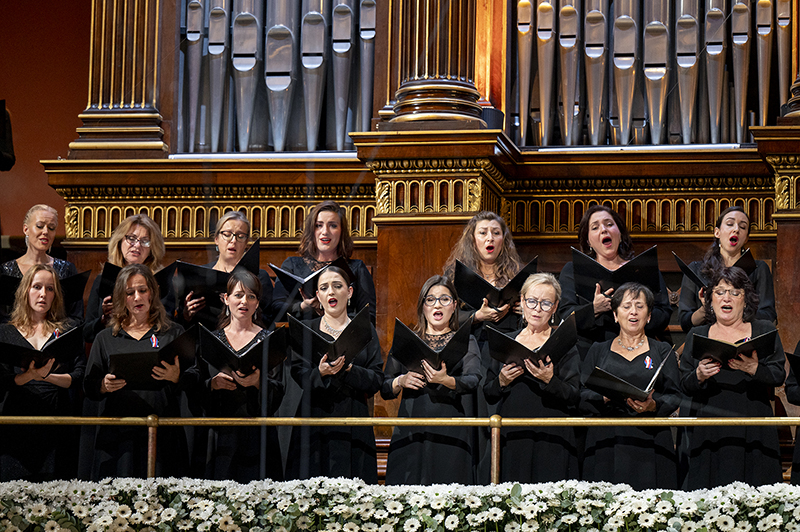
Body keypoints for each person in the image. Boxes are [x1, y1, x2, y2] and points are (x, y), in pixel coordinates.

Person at [680, 267, 785, 489]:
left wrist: (754, 368)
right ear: (710, 300)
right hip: (711, 427)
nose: (726, 298)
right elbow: (684, 384)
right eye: (719, 292)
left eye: (735, 292)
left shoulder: (763, 330)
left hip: (754, 424)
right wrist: (698, 375)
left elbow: (778, 375)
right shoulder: (697, 335)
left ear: (746, 299)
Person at [83, 263, 191, 479]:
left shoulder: (173, 333)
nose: (137, 297)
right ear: (121, 298)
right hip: (119, 436)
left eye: (142, 290)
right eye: (129, 292)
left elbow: (195, 381)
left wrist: (176, 376)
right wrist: (103, 385)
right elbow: (89, 385)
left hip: (163, 432)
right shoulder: (105, 338)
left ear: (152, 292)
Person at [579, 282, 682, 490]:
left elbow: (675, 395)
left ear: (649, 316)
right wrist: (606, 397)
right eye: (626, 306)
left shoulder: (662, 350)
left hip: (650, 440)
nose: (633, 312)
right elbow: (581, 395)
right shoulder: (598, 350)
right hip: (606, 440)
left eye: (640, 306)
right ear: (615, 315)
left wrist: (653, 406)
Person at [381, 275, 481, 485]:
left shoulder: (466, 340)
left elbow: (473, 380)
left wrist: (445, 380)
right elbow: (384, 387)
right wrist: (401, 380)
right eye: (431, 299)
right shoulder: (408, 340)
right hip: (411, 425)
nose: (437, 305)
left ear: (454, 306)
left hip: (449, 427)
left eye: (445, 299)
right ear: (423, 306)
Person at [286, 266, 383, 482]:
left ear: (349, 293)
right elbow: (298, 372)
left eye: (337, 286)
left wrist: (350, 370)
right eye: (324, 288)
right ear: (318, 296)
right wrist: (320, 372)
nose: (331, 291)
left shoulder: (364, 330)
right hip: (314, 416)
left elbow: (377, 378)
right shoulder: (307, 329)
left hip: (354, 416)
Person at [483, 273, 580, 483]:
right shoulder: (505, 340)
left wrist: (549, 380)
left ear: (555, 308)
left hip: (552, 433)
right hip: (513, 432)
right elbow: (488, 392)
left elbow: (574, 395)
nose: (537, 309)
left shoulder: (564, 343)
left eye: (545, 303)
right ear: (522, 301)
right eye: (532, 301)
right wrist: (502, 380)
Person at [197, 270, 284, 481]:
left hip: (258, 435)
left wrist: (258, 383)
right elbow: (195, 385)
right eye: (238, 295)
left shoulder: (269, 341)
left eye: (251, 296)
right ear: (226, 299)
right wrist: (212, 384)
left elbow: (281, 389)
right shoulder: (210, 340)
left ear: (257, 303)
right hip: (220, 434)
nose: (244, 301)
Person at [0, 264, 84, 480]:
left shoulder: (68, 329)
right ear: (25, 291)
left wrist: (47, 376)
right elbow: (1, 380)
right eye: (37, 287)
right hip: (16, 421)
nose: (43, 294)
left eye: (50, 288)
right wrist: (29, 376)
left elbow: (78, 376)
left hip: (57, 420)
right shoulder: (5, 332)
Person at [558, 205, 672, 357]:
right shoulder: (572, 270)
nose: (604, 229)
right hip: (591, 353)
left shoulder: (643, 268)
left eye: (609, 224)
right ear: (588, 241)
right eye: (595, 227)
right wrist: (594, 309)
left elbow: (663, 313)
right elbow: (566, 316)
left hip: (640, 351)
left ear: (620, 233)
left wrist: (638, 314)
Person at [271, 200, 376, 324]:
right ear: (311, 231)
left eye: (333, 225)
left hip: (343, 338)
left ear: (341, 231)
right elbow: (275, 310)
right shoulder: (293, 265)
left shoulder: (357, 268)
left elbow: (369, 316)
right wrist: (303, 307)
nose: (325, 231)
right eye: (318, 225)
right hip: (301, 338)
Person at [678, 206, 776, 332]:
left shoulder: (759, 269)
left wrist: (734, 311)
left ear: (746, 238)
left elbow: (767, 315)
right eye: (730, 224)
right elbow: (685, 321)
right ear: (717, 232)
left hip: (745, 339)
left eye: (743, 227)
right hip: (707, 339)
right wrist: (706, 309)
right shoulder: (696, 269)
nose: (736, 229)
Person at [84, 213, 171, 343]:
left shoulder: (160, 281)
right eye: (132, 238)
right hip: (113, 346)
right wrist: (104, 319)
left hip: (151, 347)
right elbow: (87, 333)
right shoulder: (104, 279)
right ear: (119, 241)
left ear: (152, 248)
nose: (137, 245)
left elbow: (171, 327)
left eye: (145, 241)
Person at [180, 211, 274, 329]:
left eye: (240, 236)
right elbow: (179, 321)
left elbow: (269, 320)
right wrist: (186, 315)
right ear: (216, 239)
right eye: (227, 234)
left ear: (246, 243)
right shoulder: (199, 274)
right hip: (204, 336)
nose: (233, 240)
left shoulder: (259, 277)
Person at [442, 210, 524, 337]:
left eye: (496, 233)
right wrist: (477, 316)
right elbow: (443, 313)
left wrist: (526, 310)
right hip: (469, 344)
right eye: (483, 233)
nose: (490, 238)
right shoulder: (455, 274)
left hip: (506, 344)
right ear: (473, 241)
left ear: (503, 240)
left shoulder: (517, 274)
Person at [1, 205, 81, 321]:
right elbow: (3, 320)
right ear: (25, 229)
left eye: (51, 228)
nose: (45, 232)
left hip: (56, 336)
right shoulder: (5, 271)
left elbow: (76, 318)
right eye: (40, 226)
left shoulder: (67, 269)